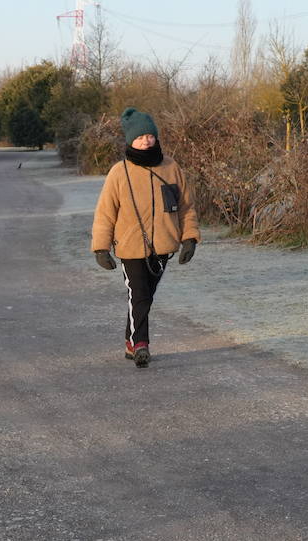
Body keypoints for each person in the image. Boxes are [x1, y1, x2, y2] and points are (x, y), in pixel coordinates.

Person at [90, 108, 200, 368]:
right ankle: (141, 344)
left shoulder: (171, 167)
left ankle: (131, 340)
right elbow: (105, 212)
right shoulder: (119, 172)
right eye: (140, 137)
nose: (146, 141)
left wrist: (190, 238)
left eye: (150, 135)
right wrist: (100, 248)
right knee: (138, 294)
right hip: (129, 246)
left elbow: (186, 206)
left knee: (145, 297)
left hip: (163, 245)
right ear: (130, 140)